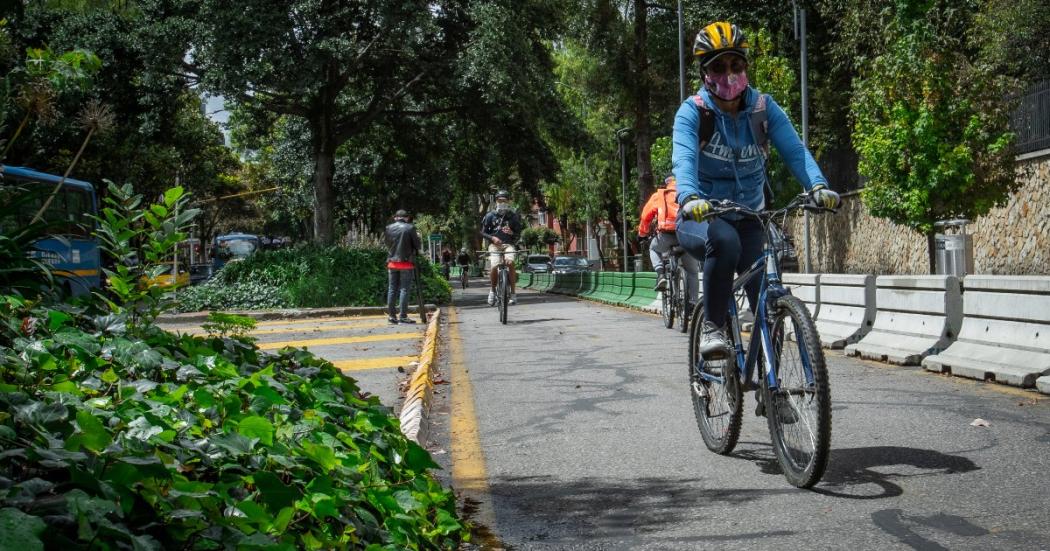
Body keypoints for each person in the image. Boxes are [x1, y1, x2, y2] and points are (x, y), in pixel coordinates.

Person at [673, 22, 840, 359]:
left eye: (736, 64)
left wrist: (818, 186)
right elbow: (684, 159)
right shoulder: (694, 112)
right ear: (704, 72)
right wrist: (690, 197)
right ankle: (712, 327)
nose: (729, 74)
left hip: (751, 215)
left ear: (746, 66)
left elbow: (795, 152)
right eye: (718, 66)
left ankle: (772, 391)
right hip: (702, 217)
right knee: (724, 240)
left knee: (767, 297)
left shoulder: (763, 109)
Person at [639, 176, 699, 314]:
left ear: (667, 184)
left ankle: (661, 275)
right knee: (692, 271)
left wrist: (642, 233)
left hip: (666, 236)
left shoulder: (659, 196)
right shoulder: (690, 193)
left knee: (653, 248)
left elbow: (645, 216)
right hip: (686, 236)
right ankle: (693, 303)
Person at [480, 190, 523, 305]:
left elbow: (519, 233)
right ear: (496, 201)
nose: (502, 202)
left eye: (504, 200)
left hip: (508, 245)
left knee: (510, 262)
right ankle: (492, 291)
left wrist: (512, 233)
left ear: (508, 202)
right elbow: (483, 232)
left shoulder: (513, 216)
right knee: (494, 265)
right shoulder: (490, 215)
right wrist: (493, 238)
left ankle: (513, 294)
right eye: (500, 200)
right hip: (494, 246)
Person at [383, 209, 422, 325]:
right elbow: (417, 245)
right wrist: (418, 238)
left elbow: (386, 244)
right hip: (406, 263)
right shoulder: (410, 228)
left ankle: (391, 316)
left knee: (392, 289)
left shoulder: (388, 228)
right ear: (406, 218)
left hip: (392, 263)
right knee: (404, 289)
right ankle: (403, 316)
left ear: (396, 218)